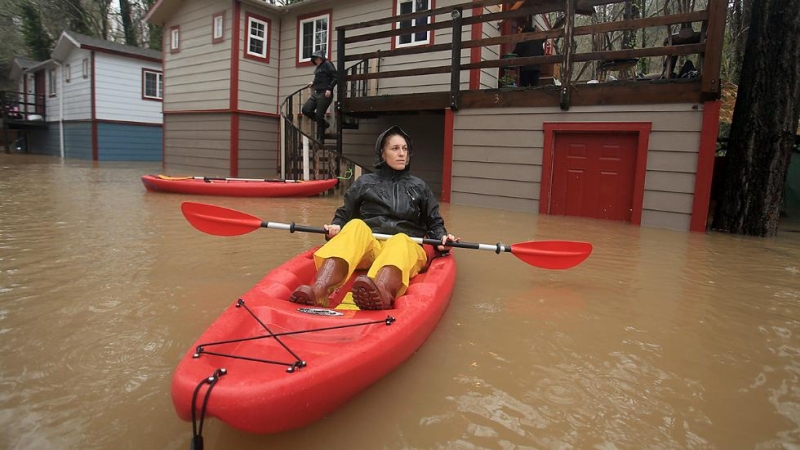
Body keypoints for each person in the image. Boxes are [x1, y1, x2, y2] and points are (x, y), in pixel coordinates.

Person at [289, 126, 458, 310]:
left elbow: (434, 222)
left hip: (405, 248)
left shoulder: (420, 187)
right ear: (382, 153)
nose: (402, 154)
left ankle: (382, 292)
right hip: (371, 248)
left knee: (400, 239)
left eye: (405, 149)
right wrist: (336, 226)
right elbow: (344, 214)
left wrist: (442, 238)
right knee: (355, 225)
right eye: (395, 148)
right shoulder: (365, 183)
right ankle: (319, 290)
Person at [301, 50, 337, 143]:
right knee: (306, 109)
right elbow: (320, 78)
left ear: (320, 58)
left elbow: (335, 77)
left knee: (319, 115)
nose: (315, 61)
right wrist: (313, 82)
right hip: (317, 92)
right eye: (314, 59)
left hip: (325, 93)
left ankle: (321, 138)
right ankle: (324, 124)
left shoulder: (328, 64)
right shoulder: (318, 68)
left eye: (316, 58)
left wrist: (329, 88)